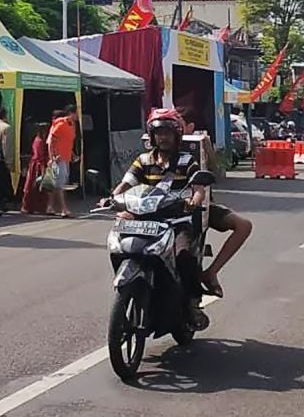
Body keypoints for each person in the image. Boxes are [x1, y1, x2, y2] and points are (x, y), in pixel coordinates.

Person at [107, 108, 253, 317]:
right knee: (122, 247)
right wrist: (112, 198)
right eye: (159, 133)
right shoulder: (143, 160)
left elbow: (198, 189)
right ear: (152, 136)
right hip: (146, 219)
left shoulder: (186, 161)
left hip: (177, 219)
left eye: (168, 133)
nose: (163, 137)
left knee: (183, 255)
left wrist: (193, 202)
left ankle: (193, 301)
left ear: (177, 136)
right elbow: (126, 184)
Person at [46, 105, 76, 217]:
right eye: (75, 113)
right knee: (61, 185)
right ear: (70, 113)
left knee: (56, 184)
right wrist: (52, 157)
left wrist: (72, 154)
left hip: (66, 157)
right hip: (59, 159)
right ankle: (64, 209)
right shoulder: (60, 124)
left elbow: (68, 142)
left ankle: (50, 207)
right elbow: (51, 141)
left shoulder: (72, 125)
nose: (77, 116)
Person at [20, 121, 52, 215]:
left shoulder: (43, 140)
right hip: (37, 166)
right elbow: (39, 156)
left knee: (42, 188)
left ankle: (40, 207)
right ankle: (28, 207)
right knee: (33, 187)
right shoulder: (39, 141)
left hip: (42, 164)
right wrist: (43, 168)